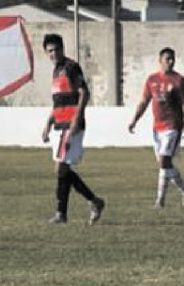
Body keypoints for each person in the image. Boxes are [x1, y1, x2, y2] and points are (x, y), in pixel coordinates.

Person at [40, 33, 105, 225]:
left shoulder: (70, 67)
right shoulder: (56, 71)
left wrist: (77, 118)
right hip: (60, 125)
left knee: (61, 167)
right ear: (46, 52)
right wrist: (48, 123)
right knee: (62, 169)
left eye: (57, 49)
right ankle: (93, 202)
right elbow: (59, 102)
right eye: (50, 50)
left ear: (63, 48)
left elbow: (84, 92)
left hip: (71, 125)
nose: (54, 53)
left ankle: (64, 213)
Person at [127, 47, 184, 208]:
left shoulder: (180, 80)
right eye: (168, 59)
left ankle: (160, 201)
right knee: (164, 164)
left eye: (173, 59)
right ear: (160, 61)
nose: (171, 62)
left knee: (164, 162)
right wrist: (134, 120)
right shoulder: (152, 79)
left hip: (173, 126)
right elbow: (144, 102)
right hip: (157, 128)